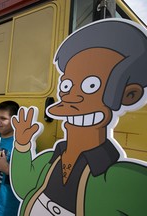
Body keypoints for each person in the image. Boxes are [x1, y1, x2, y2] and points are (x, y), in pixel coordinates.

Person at [10, 19, 147, 215]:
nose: (71, 99)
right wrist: (22, 146)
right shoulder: (50, 159)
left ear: (128, 94)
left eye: (91, 85)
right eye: (66, 86)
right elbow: (24, 186)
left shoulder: (121, 178)